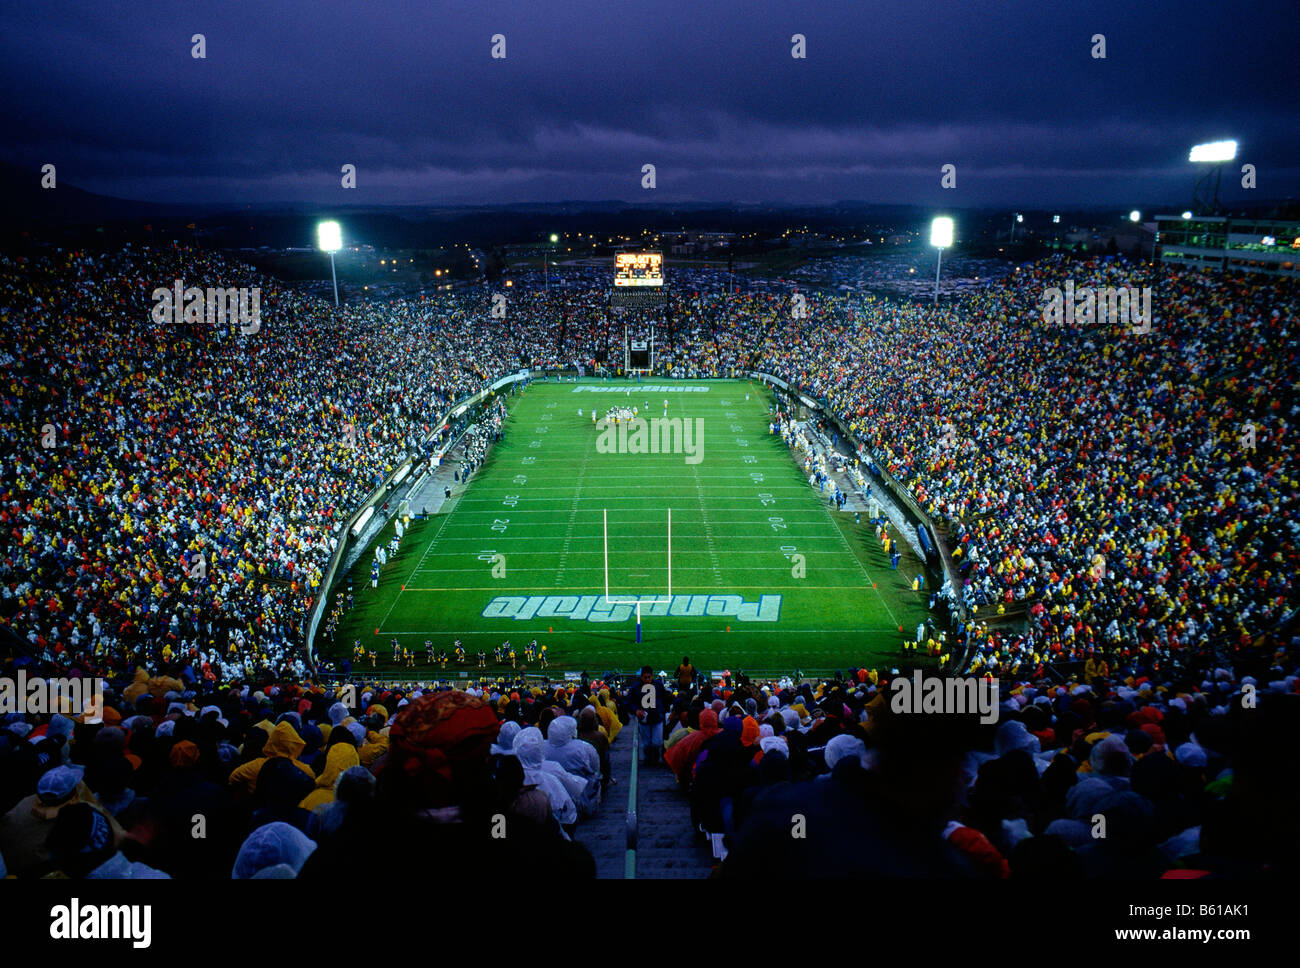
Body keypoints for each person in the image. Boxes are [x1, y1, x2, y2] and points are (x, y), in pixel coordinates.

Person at [629, 665, 670, 766]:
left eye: (649, 677)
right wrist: (636, 710)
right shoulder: (635, 687)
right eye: (645, 677)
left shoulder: (658, 685)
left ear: (652, 676)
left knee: (657, 742)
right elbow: (629, 702)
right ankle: (649, 759)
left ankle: (654, 757)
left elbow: (664, 699)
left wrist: (662, 710)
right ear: (641, 677)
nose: (647, 680)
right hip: (644, 718)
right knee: (646, 743)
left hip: (657, 717)